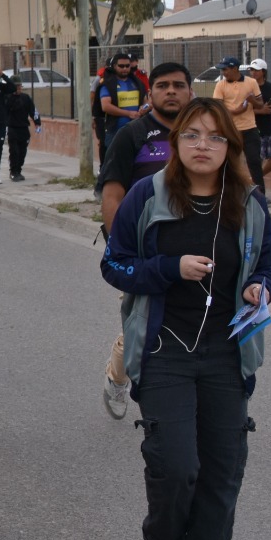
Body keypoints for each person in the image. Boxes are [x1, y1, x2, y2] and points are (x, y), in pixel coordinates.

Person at [101, 96, 271, 540]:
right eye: (193, 135)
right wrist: (169, 268)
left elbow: (266, 268)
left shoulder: (249, 202)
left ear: (230, 147)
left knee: (224, 469)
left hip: (227, 354)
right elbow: (115, 267)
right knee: (176, 465)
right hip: (164, 351)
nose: (204, 145)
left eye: (216, 137)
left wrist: (259, 289)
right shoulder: (147, 196)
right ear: (176, 143)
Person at [97, 62, 192, 419]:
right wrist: (119, 249)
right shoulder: (132, 136)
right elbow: (112, 196)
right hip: (143, 254)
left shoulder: (202, 135)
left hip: (196, 253)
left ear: (190, 92)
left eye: (179, 85)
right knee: (141, 322)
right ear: (149, 93)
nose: (171, 91)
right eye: (163, 85)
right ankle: (117, 377)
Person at [210, 57, 264, 193]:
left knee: (254, 162)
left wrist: (252, 100)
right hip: (230, 130)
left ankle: (259, 193)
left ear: (235, 68)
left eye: (225, 69)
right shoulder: (220, 85)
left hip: (249, 128)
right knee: (228, 162)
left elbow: (260, 103)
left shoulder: (251, 82)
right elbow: (218, 107)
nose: (223, 72)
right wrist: (235, 111)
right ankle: (227, 191)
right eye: (222, 70)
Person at [98, 53, 146, 155]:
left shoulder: (137, 82)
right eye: (121, 66)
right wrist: (128, 113)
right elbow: (105, 106)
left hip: (136, 129)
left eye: (127, 66)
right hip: (115, 130)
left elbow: (146, 101)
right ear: (115, 66)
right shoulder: (108, 84)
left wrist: (144, 108)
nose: (125, 69)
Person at [248, 60, 271, 178]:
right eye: (252, 70)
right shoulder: (248, 88)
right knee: (257, 161)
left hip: (269, 129)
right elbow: (243, 110)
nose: (253, 73)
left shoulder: (270, 87)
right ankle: (256, 183)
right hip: (254, 129)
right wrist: (260, 111)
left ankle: (257, 177)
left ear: (263, 72)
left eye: (256, 70)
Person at [4, 80, 42, 182]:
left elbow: (33, 110)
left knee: (22, 152)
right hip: (12, 128)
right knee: (14, 151)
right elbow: (4, 111)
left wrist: (37, 122)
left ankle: (18, 170)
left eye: (20, 86)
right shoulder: (7, 97)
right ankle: (13, 172)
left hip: (24, 128)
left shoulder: (25, 98)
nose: (18, 88)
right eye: (16, 86)